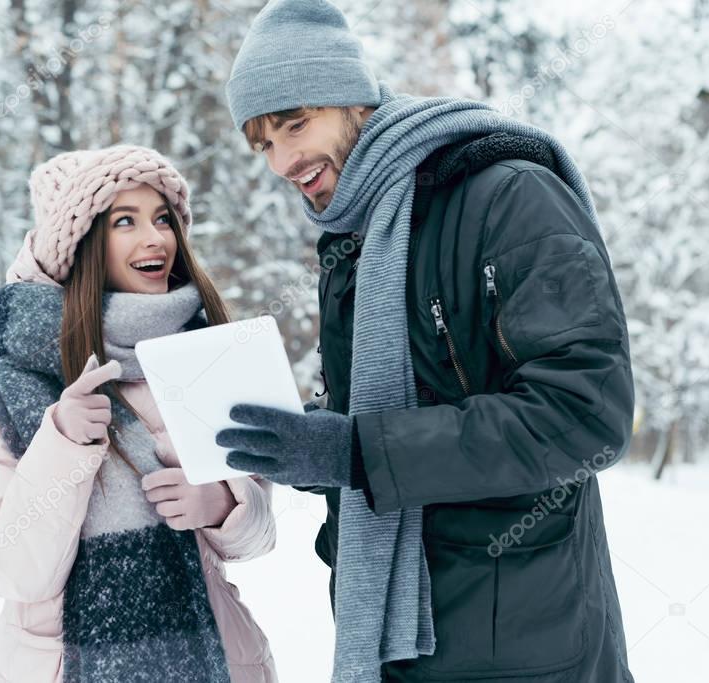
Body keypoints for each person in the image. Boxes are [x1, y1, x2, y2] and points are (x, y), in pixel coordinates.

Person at [215, 1, 635, 681]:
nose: (283, 160)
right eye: (262, 142)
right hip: (400, 642)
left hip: (523, 644)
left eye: (296, 124)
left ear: (354, 100)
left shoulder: (506, 196)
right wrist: (316, 445)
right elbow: (411, 404)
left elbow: (583, 416)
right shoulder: (356, 238)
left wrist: (356, 450)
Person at [0, 145, 278, 683]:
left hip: (214, 660)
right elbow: (15, 574)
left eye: (163, 218)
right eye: (125, 222)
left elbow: (260, 537)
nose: (155, 237)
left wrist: (222, 503)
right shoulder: (13, 391)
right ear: (81, 246)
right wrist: (62, 442)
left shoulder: (206, 357)